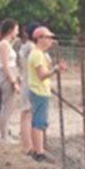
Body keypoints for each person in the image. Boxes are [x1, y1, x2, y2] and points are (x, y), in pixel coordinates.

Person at [26, 26, 66, 162]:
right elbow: (42, 75)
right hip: (39, 91)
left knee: (38, 121)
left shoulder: (40, 54)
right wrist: (56, 69)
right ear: (40, 39)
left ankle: (37, 150)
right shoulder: (37, 54)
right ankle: (39, 152)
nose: (51, 40)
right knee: (39, 122)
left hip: (39, 90)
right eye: (48, 38)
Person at [0, 19, 21, 144]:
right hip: (7, 76)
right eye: (16, 29)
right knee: (7, 106)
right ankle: (4, 136)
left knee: (9, 105)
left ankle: (6, 133)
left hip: (11, 73)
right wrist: (13, 81)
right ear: (11, 30)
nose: (18, 32)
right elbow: (5, 65)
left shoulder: (6, 43)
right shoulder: (4, 45)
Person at [18, 22, 41, 156]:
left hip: (26, 81)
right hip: (31, 83)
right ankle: (28, 146)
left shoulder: (24, 47)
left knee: (25, 115)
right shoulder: (32, 48)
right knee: (27, 115)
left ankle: (27, 145)